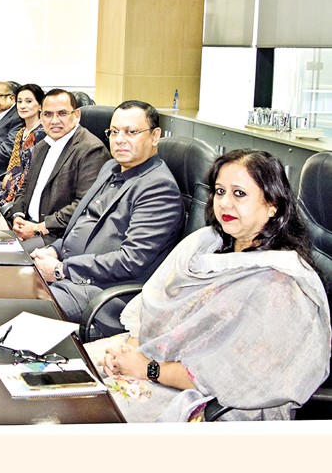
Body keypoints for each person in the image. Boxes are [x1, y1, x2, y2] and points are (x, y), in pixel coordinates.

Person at [85, 149, 331, 422]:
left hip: (211, 400)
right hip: (152, 357)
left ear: (272, 204)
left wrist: (147, 369)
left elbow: (234, 377)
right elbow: (153, 303)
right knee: (71, 372)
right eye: (220, 191)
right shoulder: (206, 243)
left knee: (88, 415)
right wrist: (131, 350)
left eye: (239, 194)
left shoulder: (281, 285)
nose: (224, 203)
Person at [30, 100, 184, 333]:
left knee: (22, 307)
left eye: (131, 132)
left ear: (155, 136)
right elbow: (84, 224)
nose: (120, 139)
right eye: (114, 132)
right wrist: (55, 250)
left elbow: (130, 261)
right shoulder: (111, 168)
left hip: (101, 295)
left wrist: (62, 269)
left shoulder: (158, 187)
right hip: (71, 274)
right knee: (5, 281)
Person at [11, 88, 110, 247]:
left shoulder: (91, 150)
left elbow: (84, 204)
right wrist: (18, 216)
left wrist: (38, 228)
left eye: (62, 113)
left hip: (56, 236)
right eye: (48, 114)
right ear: (41, 116)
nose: (54, 121)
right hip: (28, 227)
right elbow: (26, 186)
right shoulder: (42, 146)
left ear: (76, 115)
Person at [0, 83, 46, 208]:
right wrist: (8, 174)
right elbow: (14, 162)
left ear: (40, 105)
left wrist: (11, 182)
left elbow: (32, 172)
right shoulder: (21, 132)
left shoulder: (41, 134)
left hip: (23, 191)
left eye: (28, 101)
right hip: (10, 183)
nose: (22, 106)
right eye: (19, 101)